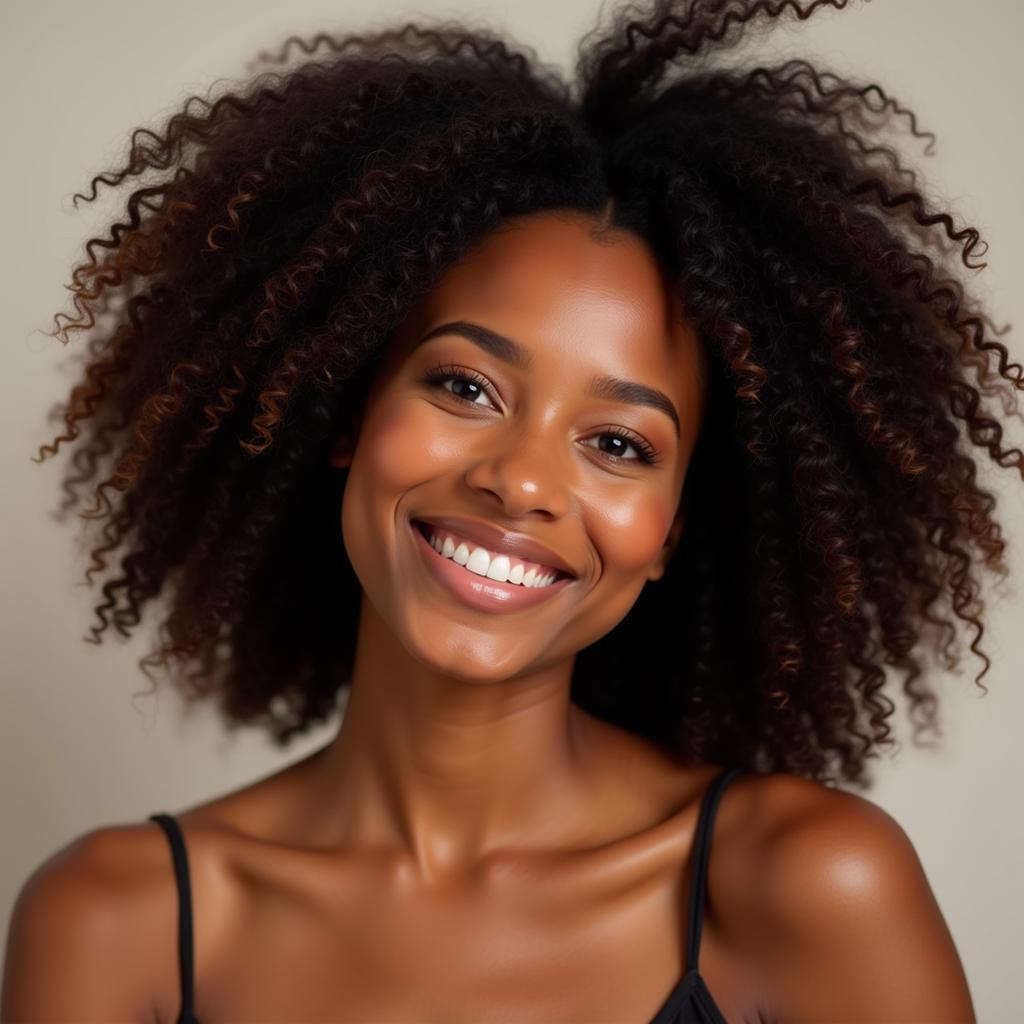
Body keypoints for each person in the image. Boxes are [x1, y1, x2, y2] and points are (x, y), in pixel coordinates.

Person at [4, 0, 1004, 1019]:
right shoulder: (117, 921)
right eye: (464, 387)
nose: (521, 481)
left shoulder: (805, 886)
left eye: (617, 444)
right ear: (350, 405)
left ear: (672, 532)